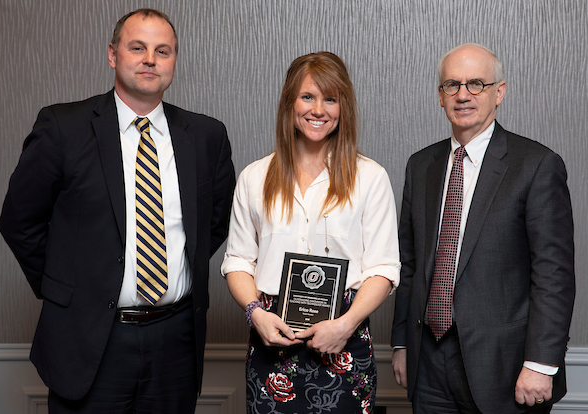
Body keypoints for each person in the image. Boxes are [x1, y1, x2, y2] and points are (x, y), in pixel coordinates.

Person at [0, 8, 235, 413]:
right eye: (137, 47)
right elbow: (20, 222)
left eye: (163, 51)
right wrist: (69, 289)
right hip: (91, 340)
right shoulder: (63, 127)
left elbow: (213, 226)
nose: (150, 59)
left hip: (175, 342)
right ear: (112, 54)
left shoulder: (206, 135)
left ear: (174, 61)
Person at [391, 43, 575, 413]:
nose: (463, 95)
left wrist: (540, 364)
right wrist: (401, 345)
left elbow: (553, 275)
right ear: (440, 97)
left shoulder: (536, 165)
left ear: (499, 93)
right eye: (451, 85)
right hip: (427, 363)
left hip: (505, 368)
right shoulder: (421, 165)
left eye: (476, 84)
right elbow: (408, 265)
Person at [221, 51, 401, 413]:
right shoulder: (255, 177)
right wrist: (256, 313)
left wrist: (346, 325)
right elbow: (238, 260)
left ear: (343, 107)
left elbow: (383, 268)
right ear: (290, 102)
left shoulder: (370, 177)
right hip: (271, 336)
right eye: (308, 97)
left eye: (330, 99)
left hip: (344, 337)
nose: (318, 109)